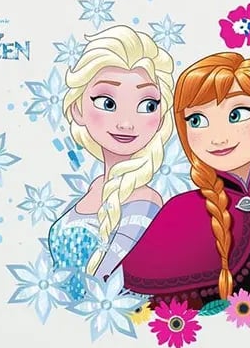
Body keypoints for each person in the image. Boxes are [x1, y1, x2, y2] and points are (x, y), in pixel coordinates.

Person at [121, 51, 250, 307]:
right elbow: (149, 308)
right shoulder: (181, 212)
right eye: (197, 120)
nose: (217, 137)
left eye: (237, 114)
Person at [47, 25, 174, 289]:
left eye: (147, 105)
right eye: (107, 103)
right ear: (77, 109)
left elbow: (109, 286)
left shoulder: (145, 203)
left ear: (161, 116)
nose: (126, 123)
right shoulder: (96, 186)